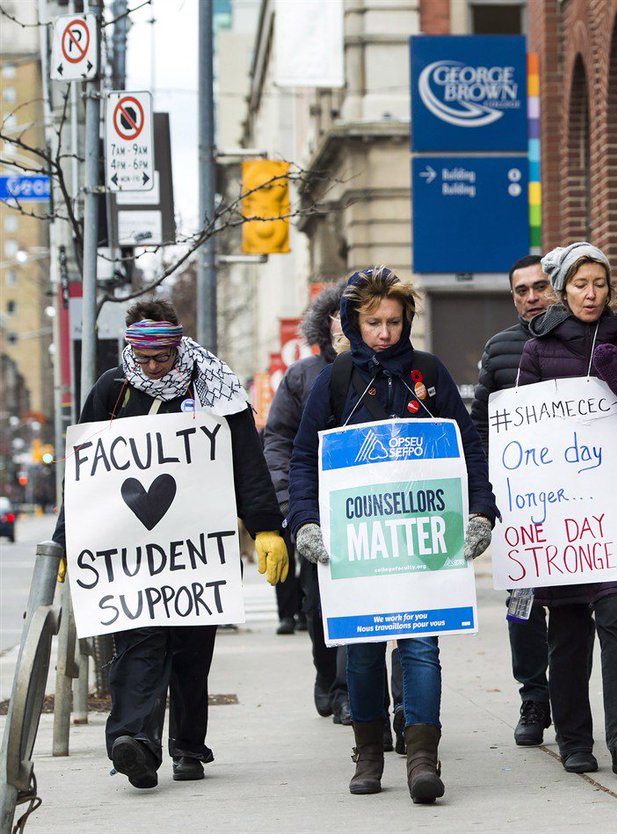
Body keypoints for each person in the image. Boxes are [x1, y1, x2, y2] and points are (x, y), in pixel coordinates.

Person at [53, 299, 287, 788]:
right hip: (131, 550)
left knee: (190, 649)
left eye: (162, 358)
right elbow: (85, 474)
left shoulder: (215, 389)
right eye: (144, 359)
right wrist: (66, 539)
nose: (153, 368)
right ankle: (133, 744)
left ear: (178, 347)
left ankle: (187, 747)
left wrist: (265, 526)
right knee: (138, 640)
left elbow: (246, 459)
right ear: (131, 351)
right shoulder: (112, 390)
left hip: (197, 547)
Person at [287, 267, 497, 802]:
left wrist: (480, 511)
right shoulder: (334, 380)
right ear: (351, 323)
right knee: (361, 650)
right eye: (374, 322)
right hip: (356, 543)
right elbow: (304, 459)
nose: (385, 333)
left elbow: (468, 445)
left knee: (421, 644)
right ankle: (369, 753)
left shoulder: (428, 373)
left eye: (394, 322)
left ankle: (423, 755)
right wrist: (304, 521)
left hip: (422, 539)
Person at [517, 242, 617, 776]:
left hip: (613, 508)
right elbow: (524, 430)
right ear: (562, 290)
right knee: (569, 631)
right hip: (560, 515)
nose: (591, 293)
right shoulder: (538, 351)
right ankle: (576, 741)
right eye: (580, 284)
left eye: (599, 284)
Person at [470, 254, 560, 747]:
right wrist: (486, 488)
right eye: (521, 290)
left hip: (576, 504)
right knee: (522, 605)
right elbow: (480, 424)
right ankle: (533, 696)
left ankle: (568, 697)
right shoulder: (499, 348)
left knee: (574, 608)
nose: (531, 297)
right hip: (519, 501)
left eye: (539, 287)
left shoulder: (584, 339)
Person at [262, 281, 357, 726]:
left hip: (372, 510)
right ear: (325, 326)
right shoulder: (302, 376)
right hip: (318, 513)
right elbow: (279, 440)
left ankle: (348, 690)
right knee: (320, 605)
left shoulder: (389, 371)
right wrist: (290, 502)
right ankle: (329, 677)